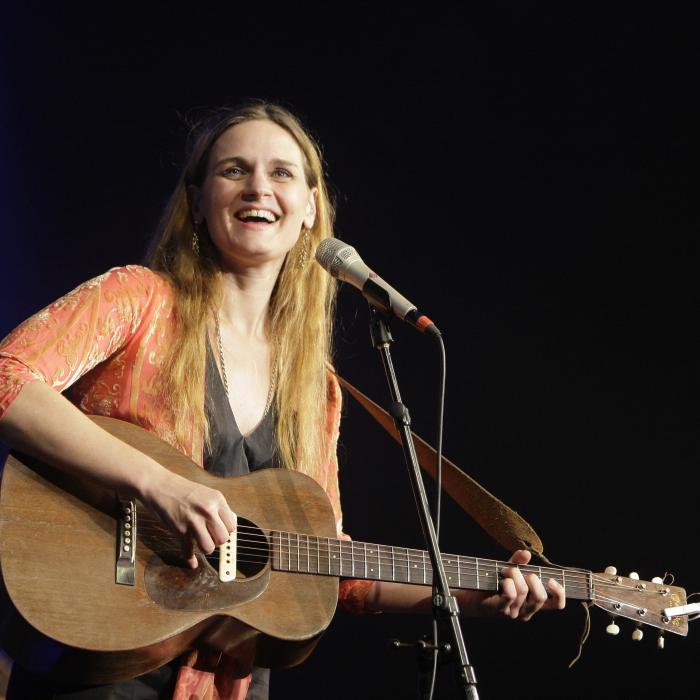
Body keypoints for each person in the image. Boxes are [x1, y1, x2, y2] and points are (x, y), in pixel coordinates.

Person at [0, 101, 566, 699]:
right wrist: (158, 484)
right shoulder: (138, 300)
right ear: (196, 200)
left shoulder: (314, 388)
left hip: (229, 682)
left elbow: (335, 571)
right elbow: (8, 376)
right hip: (96, 661)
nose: (258, 188)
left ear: (310, 211)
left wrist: (476, 597)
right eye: (233, 170)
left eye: (282, 173)